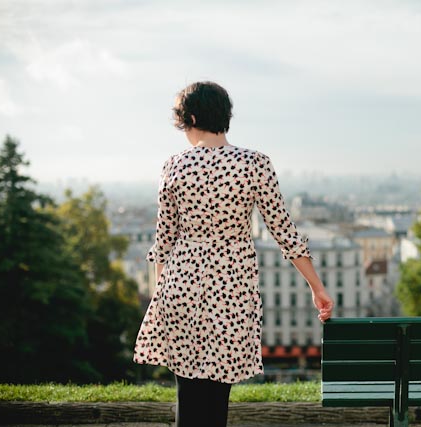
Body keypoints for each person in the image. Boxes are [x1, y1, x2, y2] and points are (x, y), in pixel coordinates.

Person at [133, 81, 334, 427]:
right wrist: (317, 287)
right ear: (224, 116)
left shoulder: (173, 167)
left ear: (191, 117)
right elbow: (285, 234)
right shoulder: (255, 163)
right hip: (232, 288)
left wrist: (160, 293)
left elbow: (163, 241)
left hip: (181, 286)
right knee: (216, 399)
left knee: (188, 393)